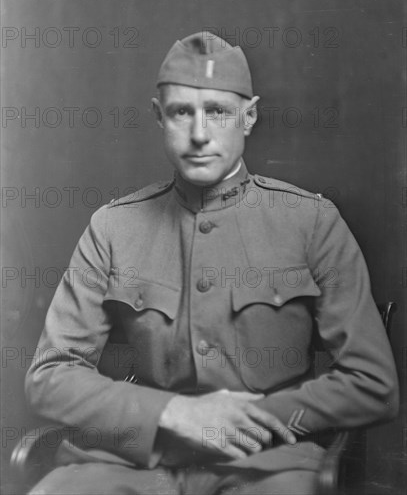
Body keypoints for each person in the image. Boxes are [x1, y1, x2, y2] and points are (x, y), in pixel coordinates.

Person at [25, 32, 399, 495]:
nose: (200, 133)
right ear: (159, 117)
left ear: (249, 117)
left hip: (268, 464)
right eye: (182, 112)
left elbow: (373, 384)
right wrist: (173, 414)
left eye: (217, 111)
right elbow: (50, 375)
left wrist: (245, 420)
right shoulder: (113, 227)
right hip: (137, 460)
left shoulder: (311, 222)